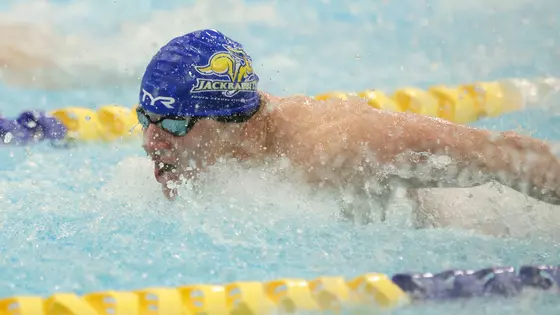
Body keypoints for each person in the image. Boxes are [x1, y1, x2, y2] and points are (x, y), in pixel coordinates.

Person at [138, 28, 560, 224]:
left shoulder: (334, 147)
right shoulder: (207, 153)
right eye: (146, 118)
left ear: (231, 122)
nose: (151, 140)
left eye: (174, 123)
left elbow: (502, 155)